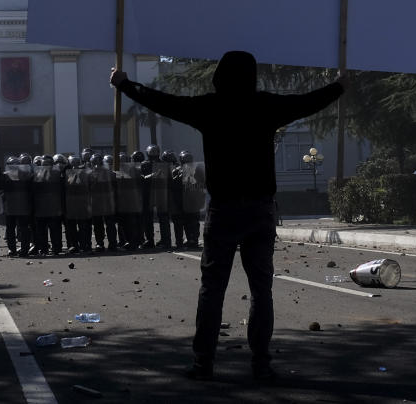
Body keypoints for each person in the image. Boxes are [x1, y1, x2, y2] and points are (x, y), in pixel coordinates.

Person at [110, 50, 345, 381]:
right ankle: (261, 363)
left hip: (224, 210)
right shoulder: (266, 106)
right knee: (262, 289)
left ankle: (203, 362)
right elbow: (306, 102)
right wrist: (338, 86)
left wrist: (125, 85)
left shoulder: (210, 107)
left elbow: (165, 103)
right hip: (261, 209)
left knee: (212, 288)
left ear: (219, 75)